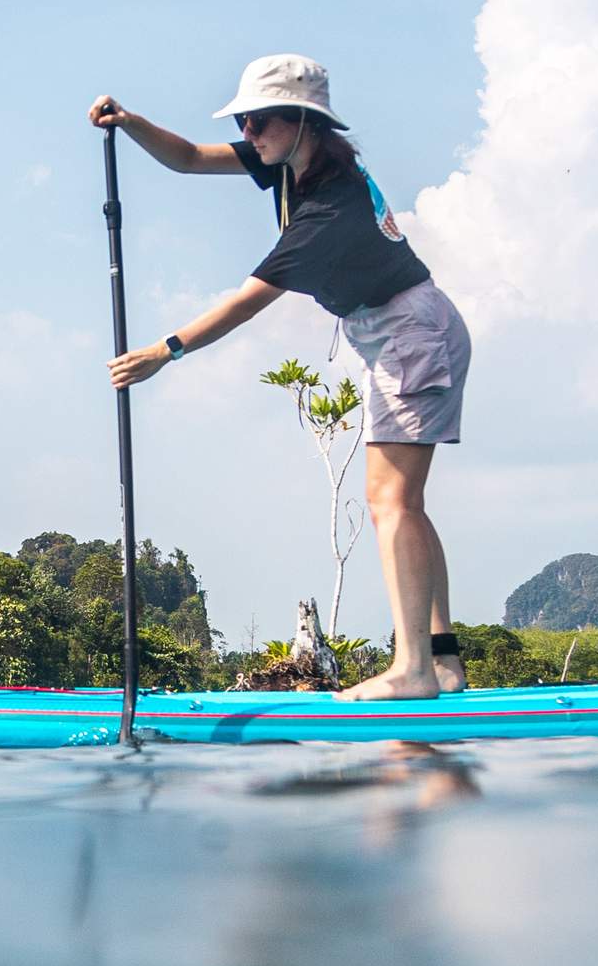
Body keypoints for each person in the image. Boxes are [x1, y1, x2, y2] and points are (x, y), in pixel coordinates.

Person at [88, 54, 472, 701]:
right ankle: (441, 663)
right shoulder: (290, 165)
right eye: (243, 119)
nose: (249, 131)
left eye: (260, 119)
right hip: (400, 332)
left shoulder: (330, 210)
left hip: (411, 334)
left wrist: (164, 350)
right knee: (403, 503)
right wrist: (130, 122)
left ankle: (412, 671)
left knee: (390, 502)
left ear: (304, 121)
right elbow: (186, 158)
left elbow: (244, 302)